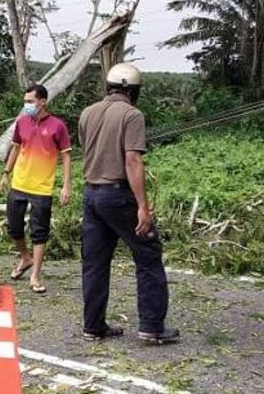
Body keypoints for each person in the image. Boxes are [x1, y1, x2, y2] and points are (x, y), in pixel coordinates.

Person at [78, 63, 179, 344]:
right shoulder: (132, 115)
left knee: (95, 264)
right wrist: (142, 207)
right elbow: (133, 159)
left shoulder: (87, 113)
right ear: (134, 91)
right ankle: (151, 327)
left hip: (92, 195)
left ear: (107, 87)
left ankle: (93, 326)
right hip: (118, 195)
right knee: (147, 256)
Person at [0, 84, 72, 294]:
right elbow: (15, 147)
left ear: (42, 101)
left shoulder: (58, 126)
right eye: (26, 101)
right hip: (19, 184)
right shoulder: (21, 122)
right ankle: (25, 257)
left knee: (39, 233)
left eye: (30, 101)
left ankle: (36, 274)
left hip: (42, 188)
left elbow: (66, 155)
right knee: (14, 227)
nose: (27, 105)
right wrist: (6, 173)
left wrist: (66, 185)